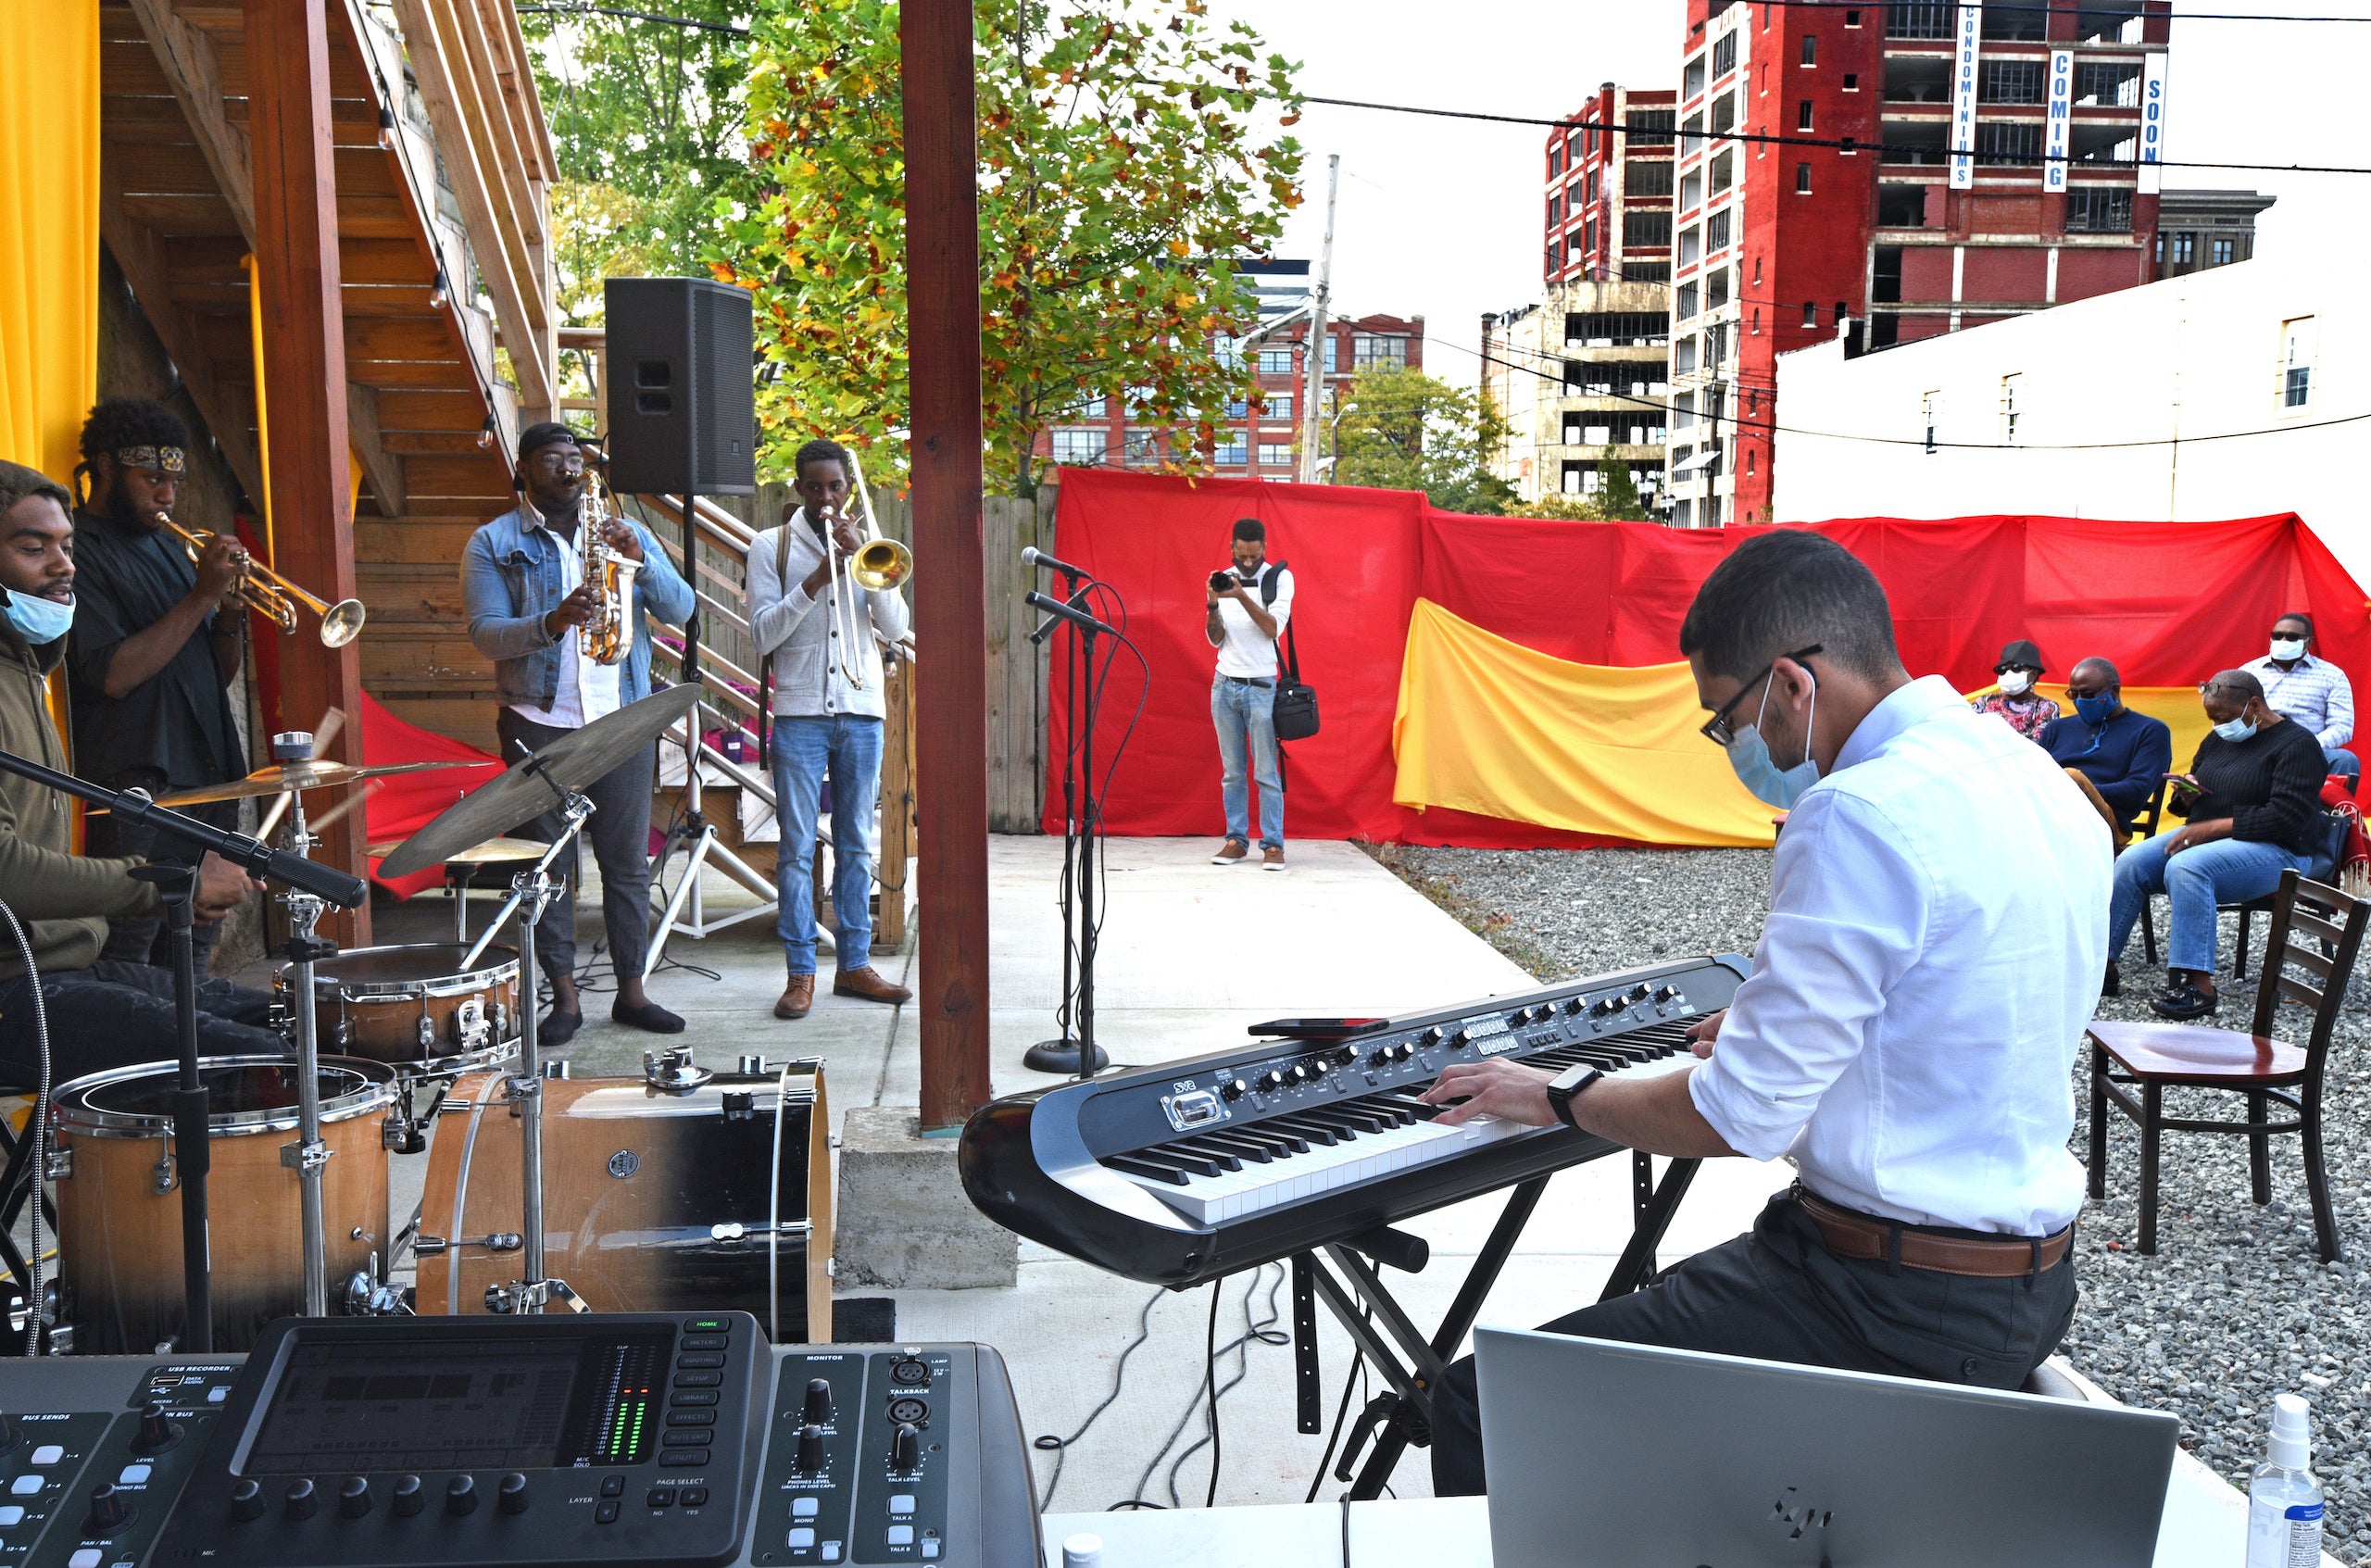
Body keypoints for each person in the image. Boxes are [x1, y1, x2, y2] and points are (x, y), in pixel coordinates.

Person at [1416, 530, 2107, 1498]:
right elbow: (1971, 994)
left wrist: (1560, 1093)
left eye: (1725, 718)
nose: (1741, 747)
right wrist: (1787, 1028)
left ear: (1790, 685)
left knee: (1489, 1404)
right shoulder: (2034, 776)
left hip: (1882, 1303)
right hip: (2022, 1284)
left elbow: (1736, 1118)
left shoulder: (1860, 809)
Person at [0, 460, 275, 1085]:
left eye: (66, 546)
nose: (63, 564)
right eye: (31, 547)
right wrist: (165, 885)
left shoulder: (24, 668)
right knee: (252, 1063)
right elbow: (6, 870)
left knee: (292, 1019)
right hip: (16, 989)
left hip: (64, 966)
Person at [460, 422, 696, 1045]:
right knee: (548, 865)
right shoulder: (493, 541)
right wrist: (550, 620)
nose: (567, 467)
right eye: (552, 458)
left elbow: (682, 609)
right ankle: (563, 998)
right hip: (538, 723)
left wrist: (640, 559)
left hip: (621, 720)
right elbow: (485, 632)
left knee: (626, 864)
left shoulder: (624, 530)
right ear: (525, 468)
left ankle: (633, 991)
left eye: (574, 457)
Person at [65, 398, 251, 976]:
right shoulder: (78, 552)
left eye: (173, 480)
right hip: (140, 787)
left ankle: (189, 1068)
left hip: (209, 781)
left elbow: (210, 678)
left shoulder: (171, 550)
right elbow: (114, 674)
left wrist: (227, 614)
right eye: (152, 479)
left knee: (193, 959)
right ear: (105, 467)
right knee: (130, 954)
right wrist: (200, 597)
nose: (168, 495)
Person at [746, 438, 913, 1021]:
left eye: (835, 486)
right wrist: (815, 580)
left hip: (862, 711)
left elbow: (894, 628)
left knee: (855, 845)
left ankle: (854, 966)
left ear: (848, 487)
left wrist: (867, 563)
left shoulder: (870, 546)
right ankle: (799, 973)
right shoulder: (771, 546)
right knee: (795, 847)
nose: (825, 497)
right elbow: (764, 634)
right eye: (814, 486)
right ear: (798, 488)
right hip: (798, 714)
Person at [2103, 670, 2326, 1020]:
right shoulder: (2219, 738)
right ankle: (2104, 966)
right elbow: (2200, 791)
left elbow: (2288, 817)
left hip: (2278, 849)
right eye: (2211, 718)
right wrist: (2186, 798)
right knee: (2132, 862)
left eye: (2221, 717)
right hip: (2212, 838)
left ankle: (2198, 988)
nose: (2217, 725)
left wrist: (2215, 827)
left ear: (2254, 705)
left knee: (2187, 866)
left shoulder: (2298, 745)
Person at [1204, 518, 1292, 871]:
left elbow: (1273, 628)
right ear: (1232, 550)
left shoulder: (1279, 578)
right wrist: (1213, 602)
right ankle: (1235, 840)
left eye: (1254, 556)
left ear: (1264, 549)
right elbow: (1214, 639)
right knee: (1232, 771)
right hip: (1224, 685)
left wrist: (1241, 595)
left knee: (1266, 771)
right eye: (1242, 556)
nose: (1248, 562)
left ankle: (1273, 846)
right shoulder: (1222, 579)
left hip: (1261, 687)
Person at [2039, 657, 2174, 841]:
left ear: (2114, 691)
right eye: (2073, 695)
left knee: (2072, 776)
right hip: (2048, 812)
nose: (2079, 701)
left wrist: (2081, 790)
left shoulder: (2149, 731)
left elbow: (2137, 790)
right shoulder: (2056, 729)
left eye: (2087, 694)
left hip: (2106, 821)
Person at [2249, 611, 2356, 789]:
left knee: (2345, 760)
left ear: (2309, 642)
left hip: (2310, 750)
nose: (2283, 641)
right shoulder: (2249, 672)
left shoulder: (2333, 676)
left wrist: (2307, 746)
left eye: (2292, 637)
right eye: (2277, 636)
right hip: (2260, 749)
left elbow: (2342, 727)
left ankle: (2332, 815)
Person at [1966, 636, 2059, 741]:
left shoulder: (2045, 707)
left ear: (2033, 674)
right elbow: (1967, 733)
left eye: (2016, 668)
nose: (2008, 673)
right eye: (2002, 669)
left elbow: (2038, 742)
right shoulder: (1984, 702)